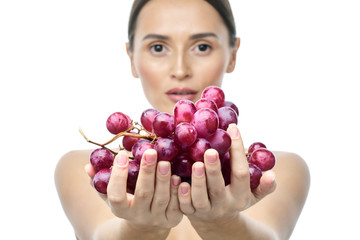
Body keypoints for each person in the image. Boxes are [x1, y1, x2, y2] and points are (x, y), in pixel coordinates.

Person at [55, 0, 310, 239]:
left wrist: (222, 225)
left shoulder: (274, 170)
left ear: (233, 54)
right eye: (158, 48)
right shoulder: (89, 168)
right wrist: (140, 231)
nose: (180, 70)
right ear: (131, 57)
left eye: (202, 47)